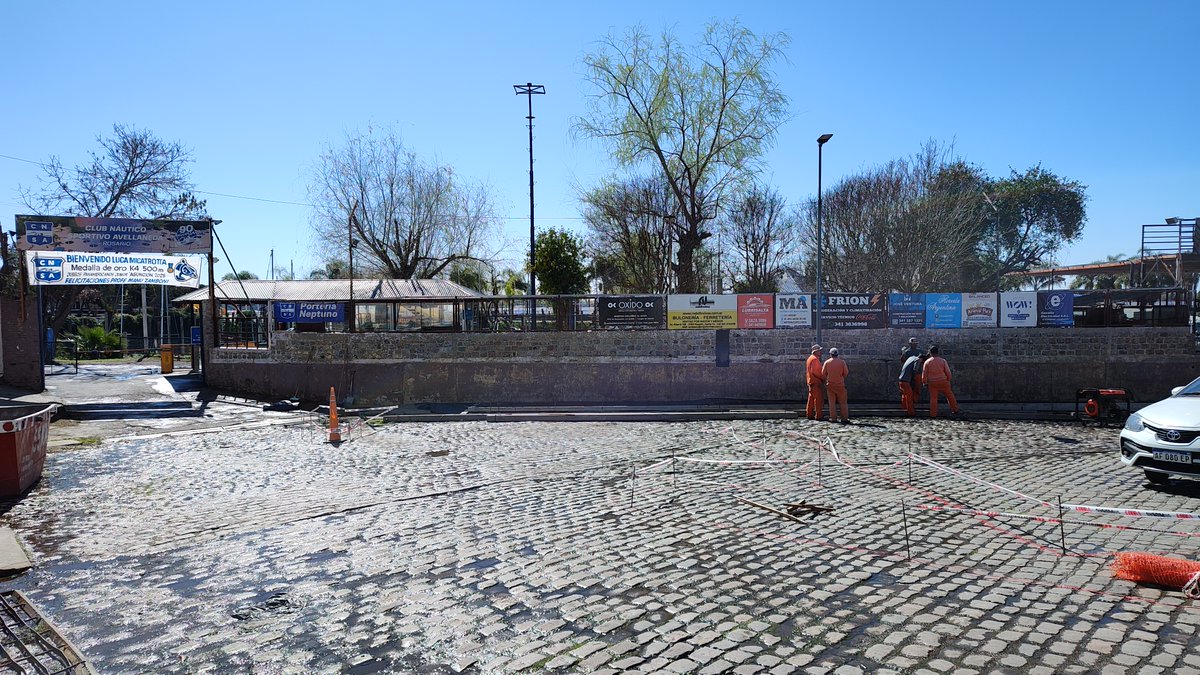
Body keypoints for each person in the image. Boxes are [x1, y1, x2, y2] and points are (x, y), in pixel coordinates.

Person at [922, 345, 960, 418]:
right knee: (949, 395)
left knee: (933, 398)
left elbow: (924, 374)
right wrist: (948, 379)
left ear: (930, 353)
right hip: (943, 381)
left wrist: (924, 382)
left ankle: (933, 414)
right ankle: (955, 410)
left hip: (932, 383)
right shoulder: (943, 361)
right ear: (938, 352)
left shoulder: (927, 362)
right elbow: (948, 372)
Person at [822, 347, 850, 424]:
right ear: (837, 354)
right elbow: (846, 373)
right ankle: (844, 418)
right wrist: (841, 378)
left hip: (830, 385)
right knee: (843, 402)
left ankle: (833, 418)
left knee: (832, 403)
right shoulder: (842, 362)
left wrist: (828, 378)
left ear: (830, 354)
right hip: (840, 385)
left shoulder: (827, 362)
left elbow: (823, 373)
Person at [897, 352, 924, 416]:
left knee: (904, 395)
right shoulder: (917, 360)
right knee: (909, 396)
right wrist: (914, 379)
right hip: (906, 380)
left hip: (901, 379)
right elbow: (915, 369)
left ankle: (904, 409)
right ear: (922, 359)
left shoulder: (911, 358)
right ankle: (911, 413)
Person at [805, 344, 826, 420]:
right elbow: (816, 372)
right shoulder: (814, 359)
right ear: (815, 351)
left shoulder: (810, 358)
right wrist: (823, 377)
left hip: (811, 381)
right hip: (816, 382)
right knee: (818, 399)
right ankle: (819, 415)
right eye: (819, 350)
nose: (820, 352)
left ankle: (809, 414)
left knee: (811, 399)